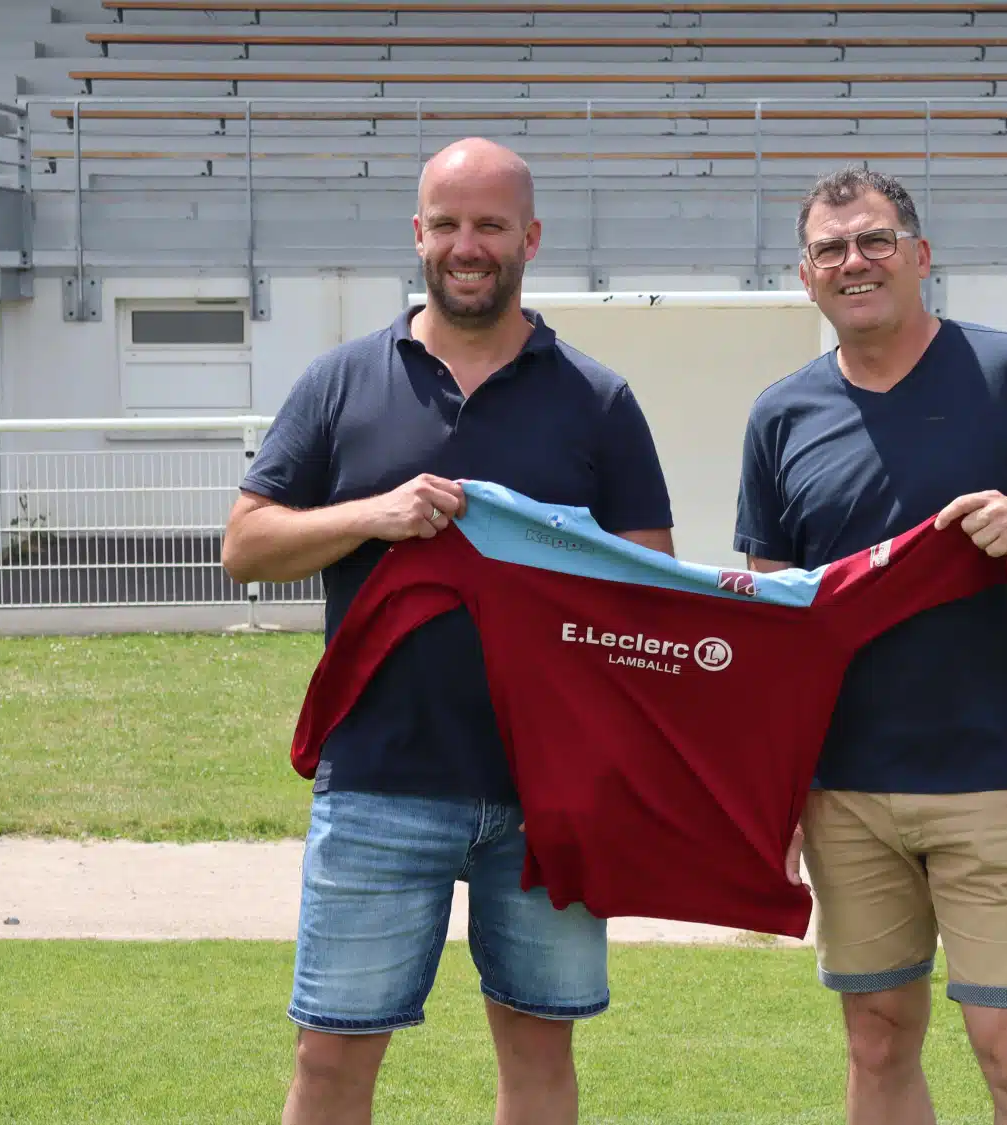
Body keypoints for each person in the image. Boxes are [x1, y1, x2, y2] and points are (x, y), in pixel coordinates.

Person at [221, 138, 675, 1125]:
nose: (469, 245)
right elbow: (245, 546)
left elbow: (652, 588)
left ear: (531, 239)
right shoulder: (341, 382)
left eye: (492, 225)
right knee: (330, 1056)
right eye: (449, 224)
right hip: (379, 778)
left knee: (540, 1055)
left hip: (551, 789)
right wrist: (372, 517)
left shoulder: (597, 399)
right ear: (418, 234)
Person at [734, 165, 1007, 1125]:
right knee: (877, 1039)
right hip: (843, 789)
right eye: (831, 249)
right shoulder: (780, 414)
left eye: (875, 240)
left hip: (986, 775)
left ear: (919, 256)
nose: (855, 261)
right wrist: (771, 790)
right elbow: (774, 625)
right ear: (805, 276)